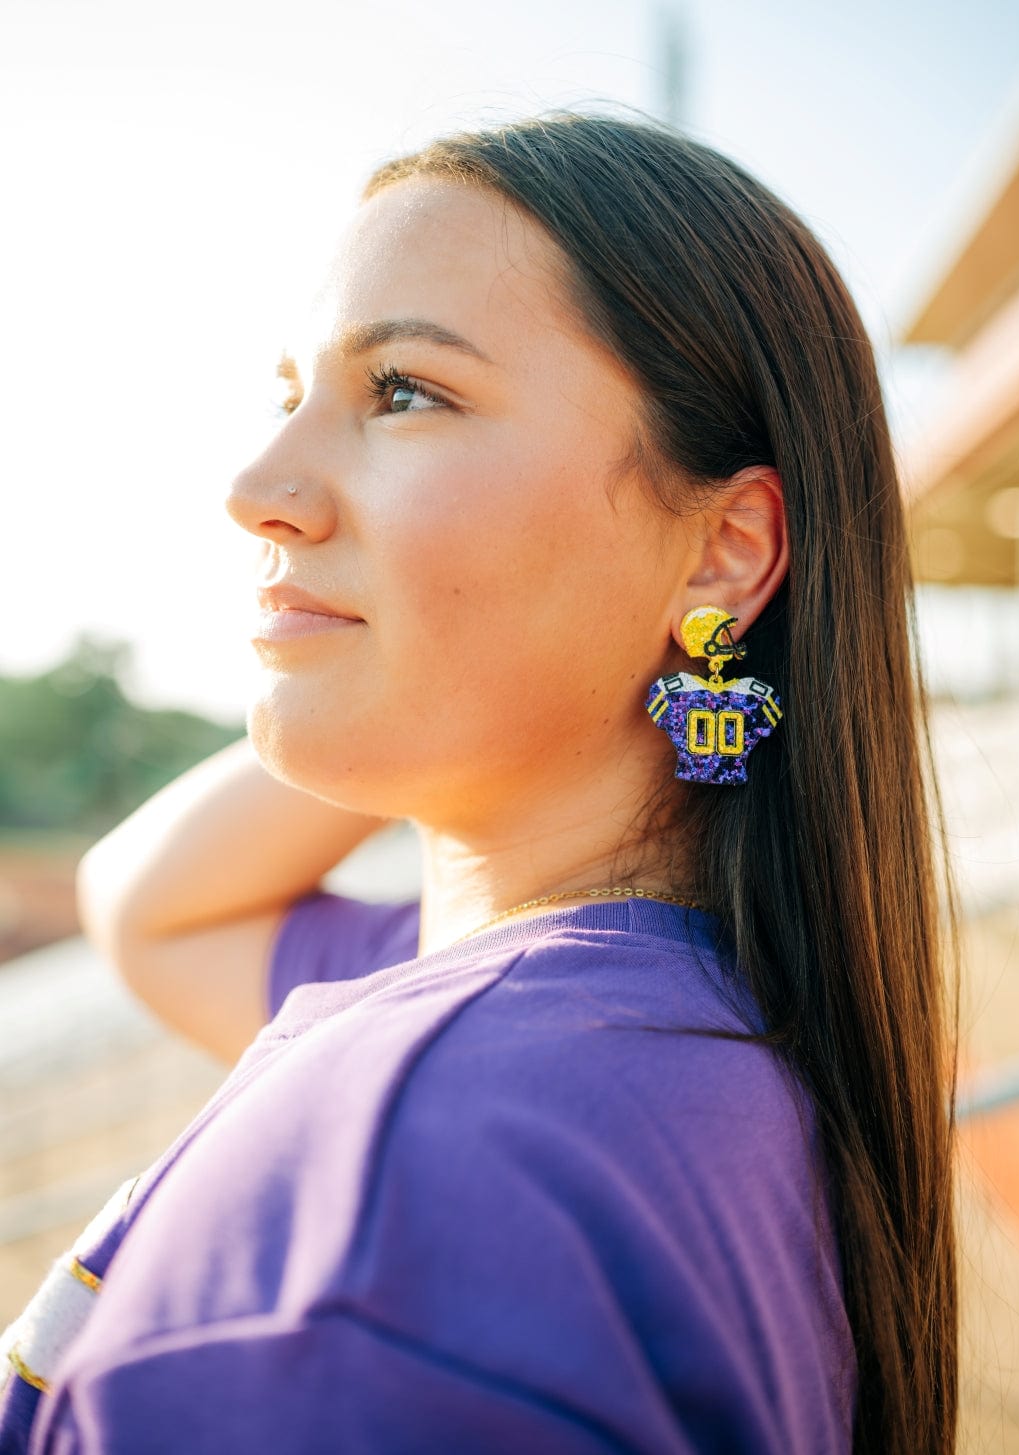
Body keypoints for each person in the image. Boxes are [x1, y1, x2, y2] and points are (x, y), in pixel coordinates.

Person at [2, 108, 961, 1454]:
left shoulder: (392, 1214)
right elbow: (148, 904)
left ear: (725, 552)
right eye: (295, 397)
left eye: (406, 392)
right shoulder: (680, 1019)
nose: (257, 486)